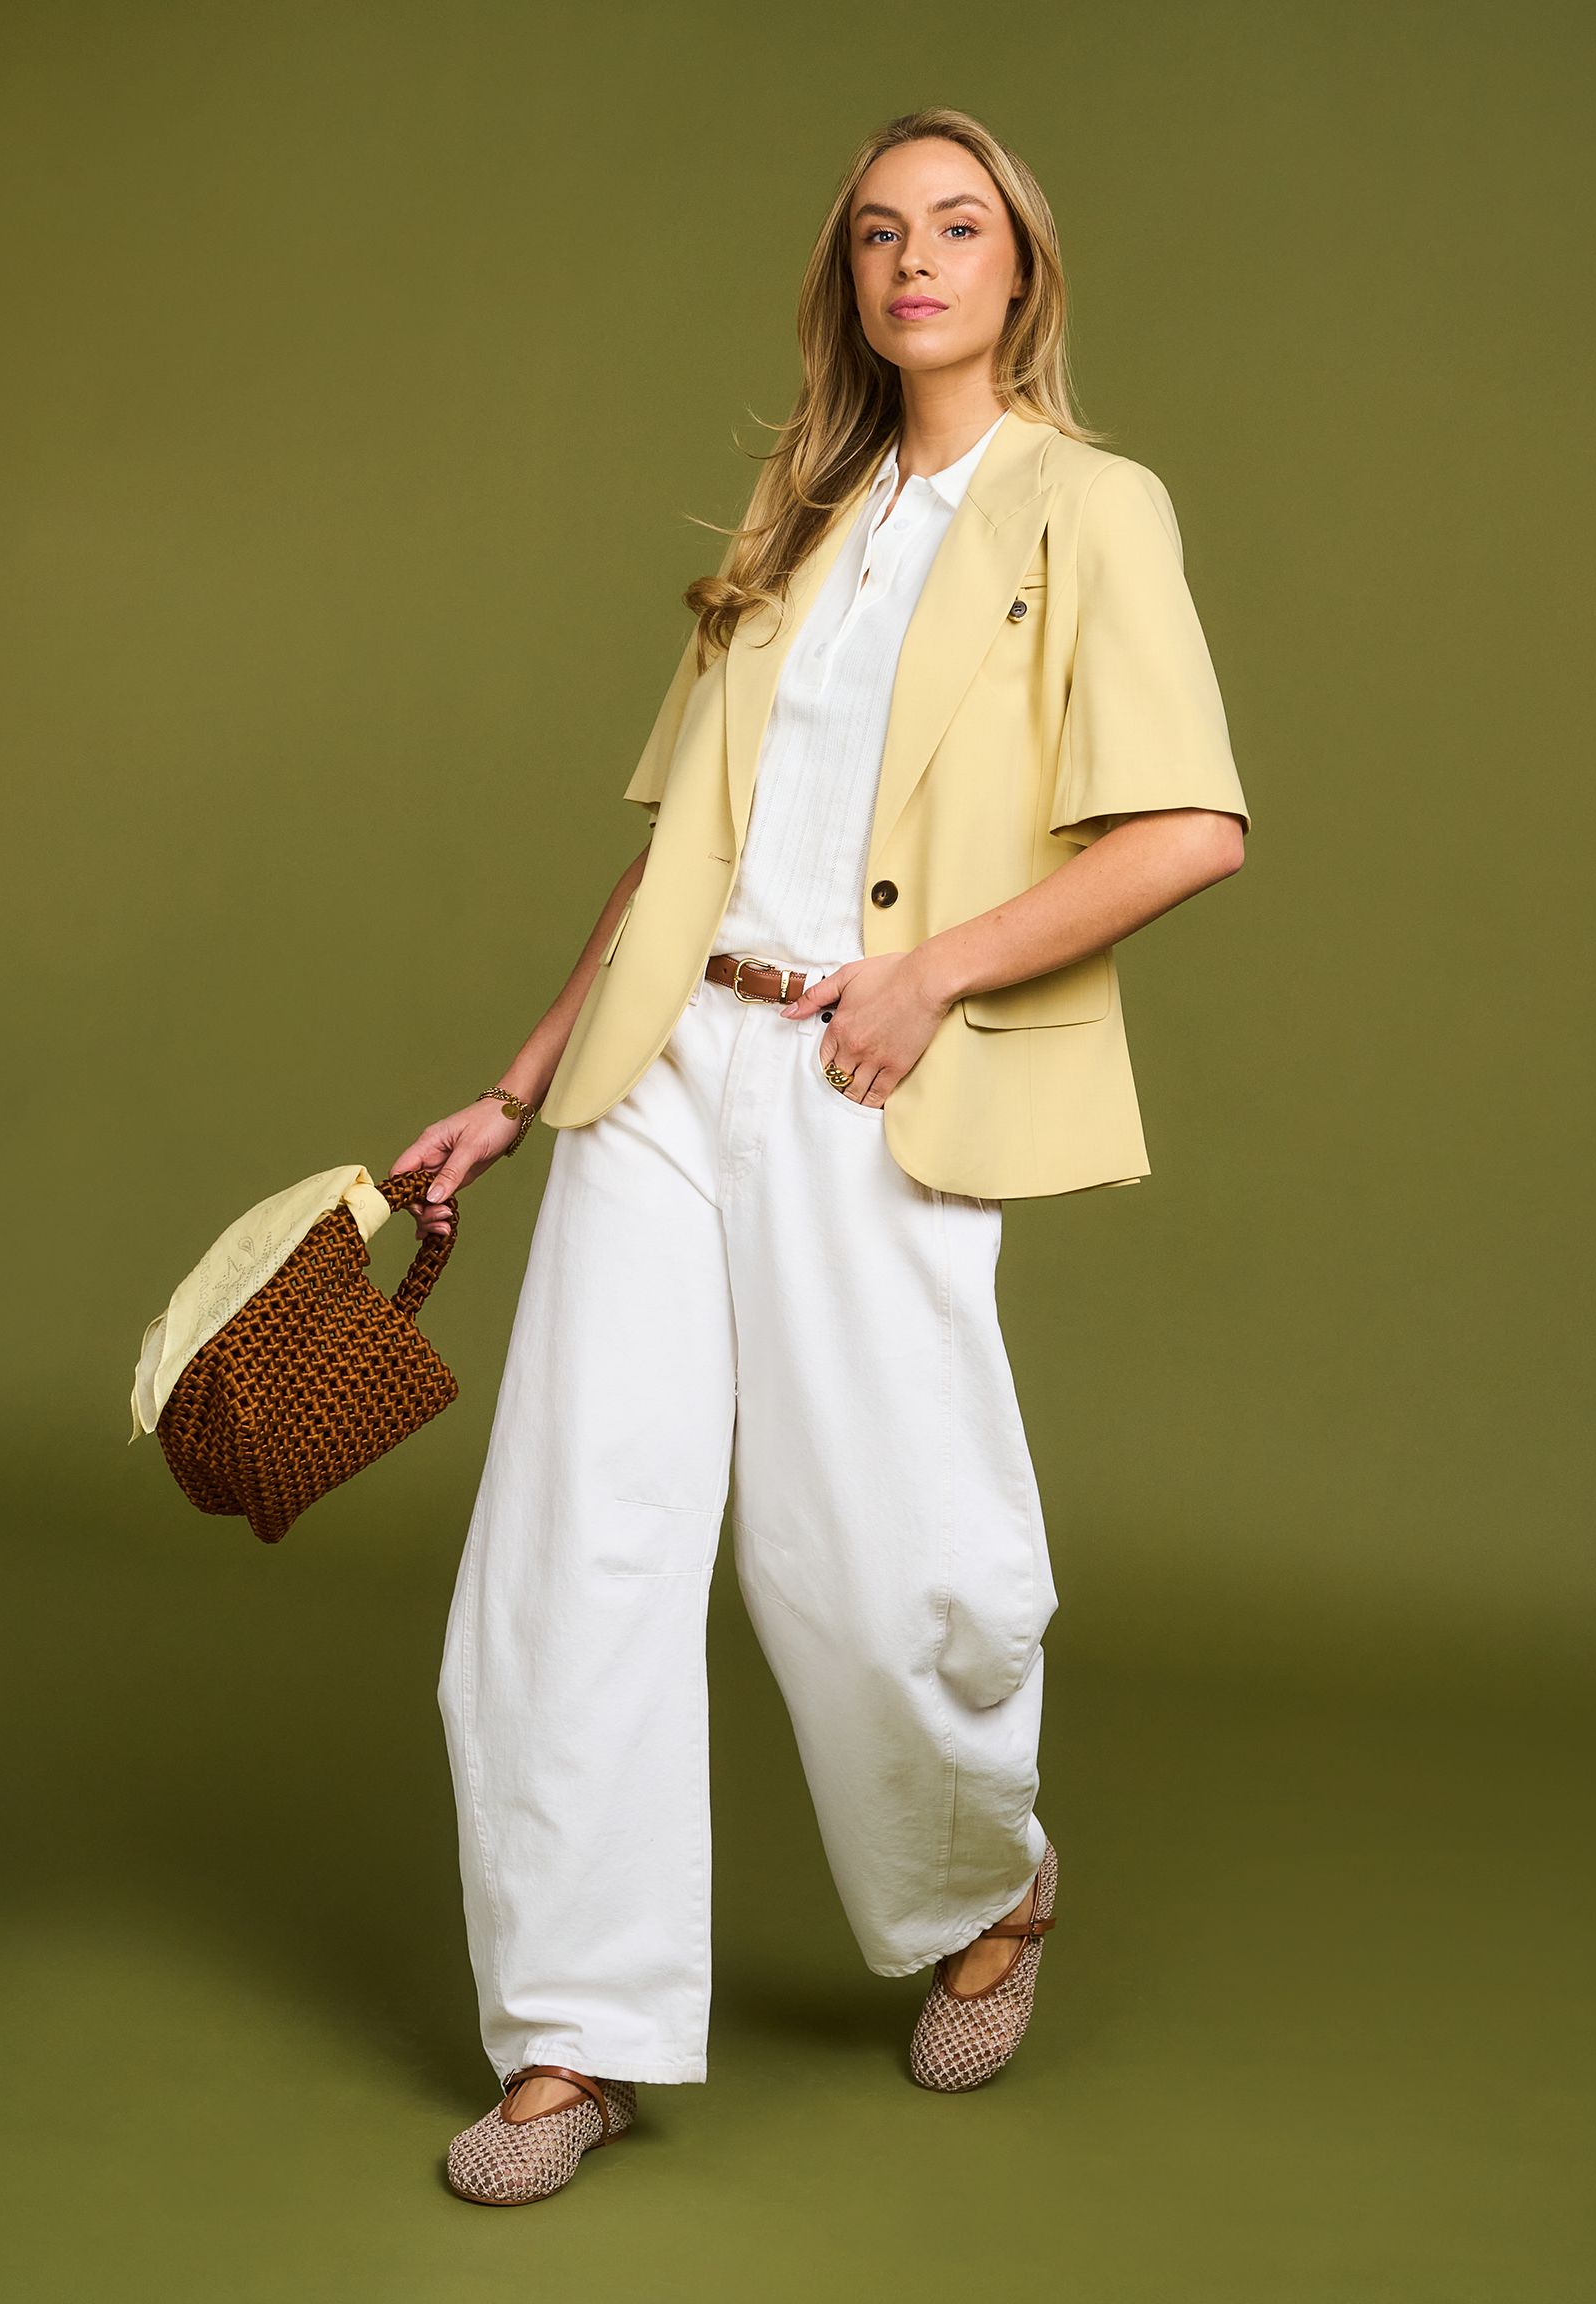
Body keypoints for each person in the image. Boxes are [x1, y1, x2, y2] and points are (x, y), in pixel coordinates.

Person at [392, 104, 1251, 2208]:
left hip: (875, 1076)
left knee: (876, 1571)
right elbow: (674, 856)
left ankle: (989, 1879)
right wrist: (516, 1086)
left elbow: (1188, 830)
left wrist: (934, 976)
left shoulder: (1089, 508)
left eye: (957, 227)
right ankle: (570, 2036)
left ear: (1021, 271)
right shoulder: (796, 515)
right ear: (849, 280)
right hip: (670, 1067)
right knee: (568, 1546)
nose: (916, 261)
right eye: (880, 233)